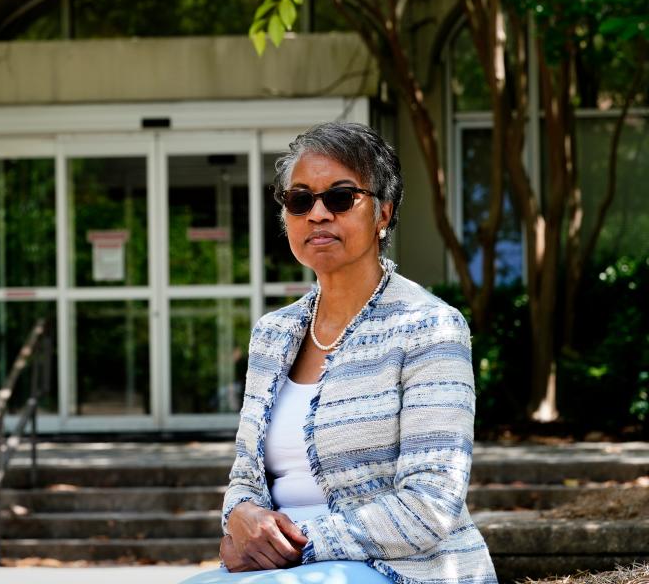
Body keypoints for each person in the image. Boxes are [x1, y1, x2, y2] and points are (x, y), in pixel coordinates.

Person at [181, 122, 497, 584]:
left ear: (383, 214)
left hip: (400, 569)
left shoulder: (428, 327)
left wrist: (294, 544)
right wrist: (240, 518)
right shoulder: (272, 335)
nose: (318, 214)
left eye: (341, 197)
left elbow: (430, 504)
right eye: (300, 199)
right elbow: (245, 478)